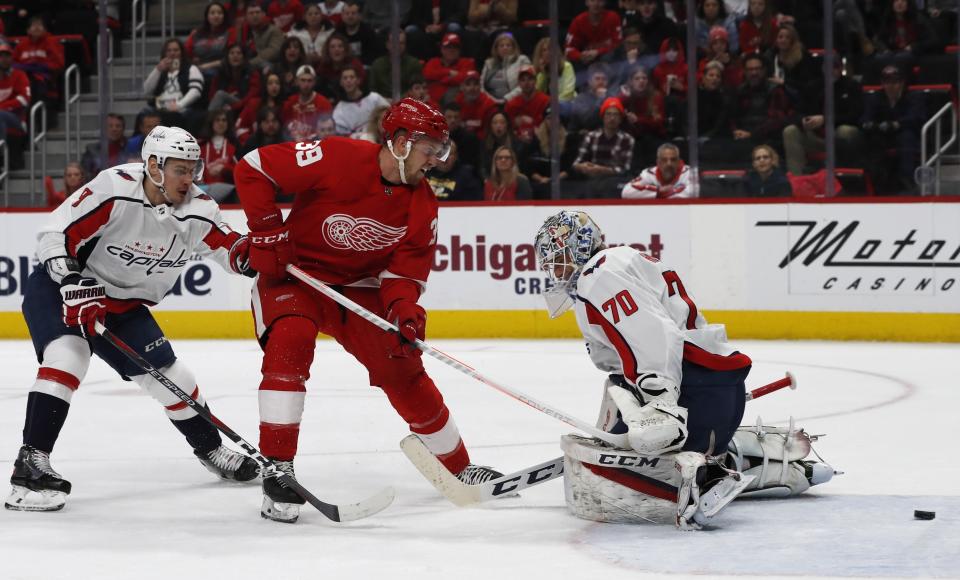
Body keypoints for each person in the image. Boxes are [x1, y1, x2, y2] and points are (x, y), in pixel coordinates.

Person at [233, 98, 504, 523]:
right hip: (295, 274)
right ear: (398, 141)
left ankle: (459, 467)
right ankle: (278, 468)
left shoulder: (422, 204)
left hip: (359, 289)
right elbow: (252, 167)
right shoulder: (336, 155)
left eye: (439, 150)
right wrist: (267, 230)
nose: (435, 160)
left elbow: (404, 274)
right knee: (292, 340)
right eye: (428, 149)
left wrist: (404, 311)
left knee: (402, 365)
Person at [5, 126, 259, 512]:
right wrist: (70, 279)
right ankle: (30, 466)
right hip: (65, 290)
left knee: (175, 380)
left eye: (192, 169)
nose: (188, 179)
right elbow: (55, 233)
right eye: (179, 169)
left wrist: (254, 257)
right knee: (68, 356)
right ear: (154, 166)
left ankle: (211, 449)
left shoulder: (199, 209)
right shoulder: (116, 189)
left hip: (123, 307)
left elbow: (230, 249)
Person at [533, 210, 835, 527]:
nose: (553, 269)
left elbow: (653, 335)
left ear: (579, 246)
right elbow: (620, 358)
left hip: (692, 395)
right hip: (712, 393)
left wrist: (661, 401)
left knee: (613, 475)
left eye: (557, 257)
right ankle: (753, 462)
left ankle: (704, 471)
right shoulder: (614, 264)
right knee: (618, 391)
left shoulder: (598, 275)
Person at [861, 65, 924, 194]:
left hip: (906, 133)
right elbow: (865, 117)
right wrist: (868, 124)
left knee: (907, 137)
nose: (890, 86)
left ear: (902, 82)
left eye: (894, 82)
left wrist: (897, 124)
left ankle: (906, 180)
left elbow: (916, 118)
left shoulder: (913, 97)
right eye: (887, 82)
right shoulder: (876, 97)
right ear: (882, 83)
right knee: (871, 140)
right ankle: (874, 180)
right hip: (883, 135)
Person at [568, 97, 635, 199]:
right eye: (608, 114)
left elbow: (625, 169)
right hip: (592, 182)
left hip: (614, 183)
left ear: (621, 119)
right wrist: (582, 167)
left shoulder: (627, 140)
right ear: (603, 117)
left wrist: (602, 170)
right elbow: (576, 163)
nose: (612, 118)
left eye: (616, 114)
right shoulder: (591, 136)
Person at [142, 38, 206, 133]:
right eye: (169, 50)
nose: (172, 53)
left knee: (172, 116)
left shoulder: (191, 68)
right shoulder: (160, 71)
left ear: (181, 52)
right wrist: (158, 70)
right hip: (160, 107)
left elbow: (195, 91)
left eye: (176, 50)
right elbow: (147, 91)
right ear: (164, 53)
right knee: (143, 113)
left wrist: (179, 105)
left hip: (182, 108)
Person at [622, 142, 697, 198]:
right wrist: (659, 191)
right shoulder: (649, 173)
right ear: (658, 162)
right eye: (664, 160)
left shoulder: (690, 172)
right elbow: (626, 192)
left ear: (678, 161)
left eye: (673, 160)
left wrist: (651, 194)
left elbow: (693, 193)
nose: (669, 164)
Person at [332, 65, 390, 135]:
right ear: (341, 83)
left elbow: (389, 115)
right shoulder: (339, 110)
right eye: (345, 78)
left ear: (358, 80)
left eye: (352, 77)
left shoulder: (374, 98)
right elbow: (344, 135)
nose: (348, 80)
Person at [280, 65, 333, 142]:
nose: (306, 84)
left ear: (314, 82)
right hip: (292, 148)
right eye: (303, 80)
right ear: (296, 81)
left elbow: (328, 133)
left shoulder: (324, 104)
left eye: (309, 80)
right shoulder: (289, 103)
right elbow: (284, 129)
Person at [564, 0, 623, 67]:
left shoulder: (613, 17)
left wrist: (598, 52)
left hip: (606, 58)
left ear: (605, 2)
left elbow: (618, 44)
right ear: (587, 2)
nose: (596, 4)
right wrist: (580, 56)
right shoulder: (578, 21)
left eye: (600, 1)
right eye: (592, 0)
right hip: (584, 60)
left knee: (610, 56)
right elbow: (568, 48)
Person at [207, 43, 262, 114]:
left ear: (243, 57)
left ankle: (209, 121)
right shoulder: (221, 72)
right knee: (219, 96)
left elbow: (252, 95)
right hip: (224, 104)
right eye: (232, 53)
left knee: (220, 94)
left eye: (239, 53)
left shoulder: (251, 72)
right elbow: (212, 94)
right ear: (227, 57)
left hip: (243, 104)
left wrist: (233, 106)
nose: (235, 56)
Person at [423, 33, 476, 106]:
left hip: (455, 106)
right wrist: (448, 72)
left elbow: (466, 78)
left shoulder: (467, 62)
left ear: (459, 50)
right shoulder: (433, 62)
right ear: (441, 49)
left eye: (455, 47)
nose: (452, 50)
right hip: (432, 103)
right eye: (448, 47)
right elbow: (427, 74)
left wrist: (443, 80)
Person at [185, 2, 234, 79]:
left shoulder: (230, 32)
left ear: (224, 16)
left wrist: (206, 66)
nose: (216, 16)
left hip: (221, 70)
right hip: (197, 69)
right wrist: (193, 61)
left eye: (220, 13)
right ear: (207, 16)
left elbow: (232, 57)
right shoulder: (196, 33)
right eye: (212, 13)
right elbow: (186, 52)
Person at [480, 31, 531, 104]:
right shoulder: (489, 63)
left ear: (514, 48)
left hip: (515, 101)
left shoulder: (522, 60)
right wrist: (491, 100)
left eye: (508, 45)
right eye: (501, 46)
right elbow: (481, 86)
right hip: (490, 103)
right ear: (496, 49)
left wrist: (506, 99)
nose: (505, 48)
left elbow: (525, 85)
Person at [369, 30, 423, 99]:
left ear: (405, 45)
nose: (398, 46)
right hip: (382, 105)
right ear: (387, 44)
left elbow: (416, 89)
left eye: (401, 43)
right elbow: (372, 91)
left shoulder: (414, 64)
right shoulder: (377, 64)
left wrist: (398, 101)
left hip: (406, 103)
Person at [199, 110, 239, 202]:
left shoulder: (234, 146)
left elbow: (239, 172)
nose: (221, 123)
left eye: (224, 120)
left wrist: (224, 168)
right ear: (211, 123)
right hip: (205, 190)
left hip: (228, 192)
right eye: (217, 120)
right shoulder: (201, 146)